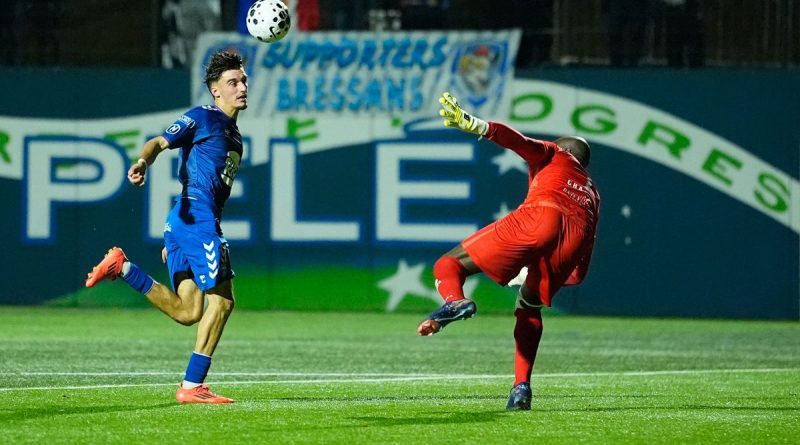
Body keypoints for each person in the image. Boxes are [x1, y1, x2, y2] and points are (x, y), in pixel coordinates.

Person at [85, 50, 249, 404]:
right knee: (221, 302)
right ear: (215, 91)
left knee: (189, 311)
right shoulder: (203, 117)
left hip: (187, 224)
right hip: (196, 221)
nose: (242, 87)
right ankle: (192, 387)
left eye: (244, 81)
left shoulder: (235, 137)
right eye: (232, 82)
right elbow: (159, 142)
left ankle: (123, 267)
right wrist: (143, 161)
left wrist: (179, 236)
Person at [418, 92, 600, 411]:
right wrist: (563, 275)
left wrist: (477, 125)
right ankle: (521, 389)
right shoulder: (592, 193)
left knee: (449, 264)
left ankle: (455, 301)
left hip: (541, 217)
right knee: (529, 308)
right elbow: (586, 247)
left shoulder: (557, 154)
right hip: (570, 243)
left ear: (567, 148)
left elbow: (520, 142)